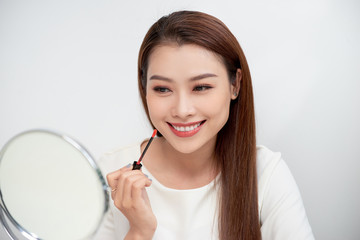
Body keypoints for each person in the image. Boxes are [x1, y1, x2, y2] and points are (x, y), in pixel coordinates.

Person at [94, 10, 315, 240]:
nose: (182, 110)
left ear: (235, 85)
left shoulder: (266, 174)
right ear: (145, 89)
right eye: (162, 89)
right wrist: (139, 233)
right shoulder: (111, 171)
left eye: (201, 87)